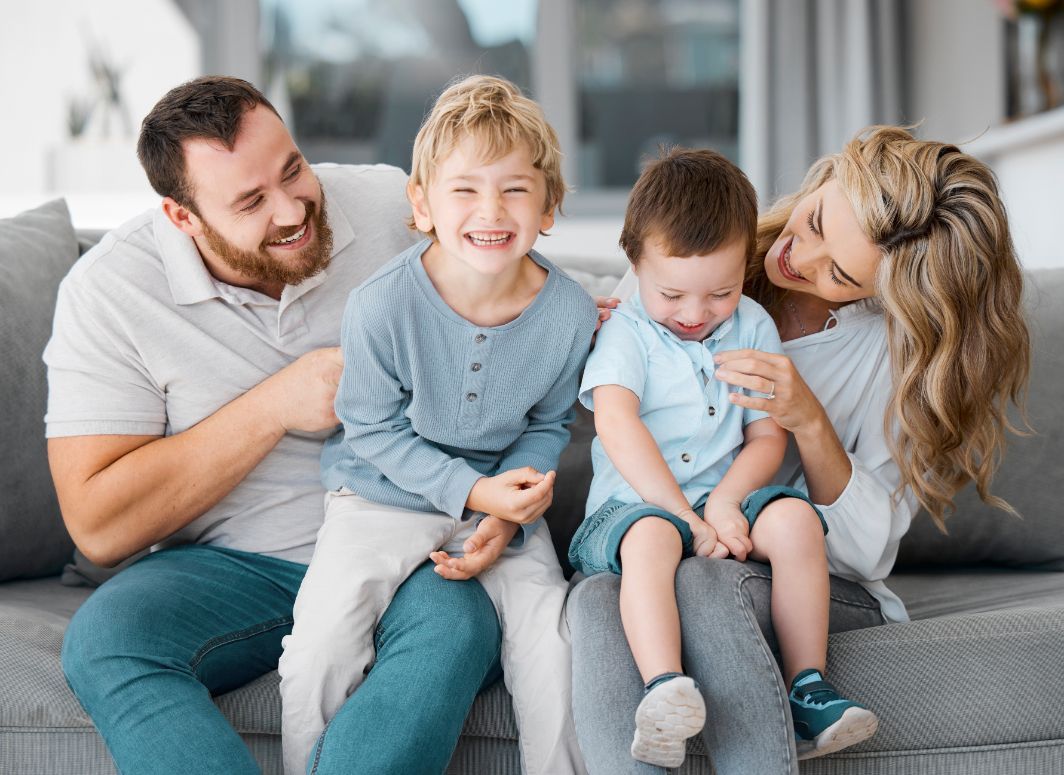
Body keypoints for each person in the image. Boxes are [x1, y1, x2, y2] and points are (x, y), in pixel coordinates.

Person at [46, 76, 506, 775]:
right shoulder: (109, 292)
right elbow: (99, 526)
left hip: (407, 548)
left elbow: (527, 306)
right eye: (251, 201)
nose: (294, 209)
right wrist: (273, 406)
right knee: (109, 638)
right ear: (182, 217)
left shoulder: (391, 206)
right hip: (235, 567)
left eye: (294, 170)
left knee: (462, 621)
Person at [569, 125, 1031, 774]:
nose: (799, 258)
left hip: (799, 567)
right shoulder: (701, 249)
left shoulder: (888, 353)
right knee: (594, 597)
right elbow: (611, 395)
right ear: (821, 181)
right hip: (674, 528)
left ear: (881, 291)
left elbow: (868, 549)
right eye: (814, 222)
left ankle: (797, 699)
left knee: (704, 579)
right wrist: (566, 324)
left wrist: (808, 421)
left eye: (839, 273)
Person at [278, 75, 596, 775]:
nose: (492, 209)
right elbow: (369, 428)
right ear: (421, 205)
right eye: (465, 188)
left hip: (502, 507)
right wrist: (473, 492)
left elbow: (550, 423)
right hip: (378, 495)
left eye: (516, 188)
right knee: (319, 646)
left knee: (554, 641)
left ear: (549, 206)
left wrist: (509, 511)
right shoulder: (382, 305)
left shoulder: (570, 312)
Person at [568, 148, 878, 770]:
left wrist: (731, 501)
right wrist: (684, 514)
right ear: (634, 265)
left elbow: (767, 438)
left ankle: (808, 686)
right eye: (673, 293)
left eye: (721, 292)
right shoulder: (628, 331)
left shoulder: (753, 326)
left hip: (718, 498)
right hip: (635, 508)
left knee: (794, 521)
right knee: (654, 538)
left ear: (745, 268)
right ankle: (664, 687)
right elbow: (619, 425)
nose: (693, 314)